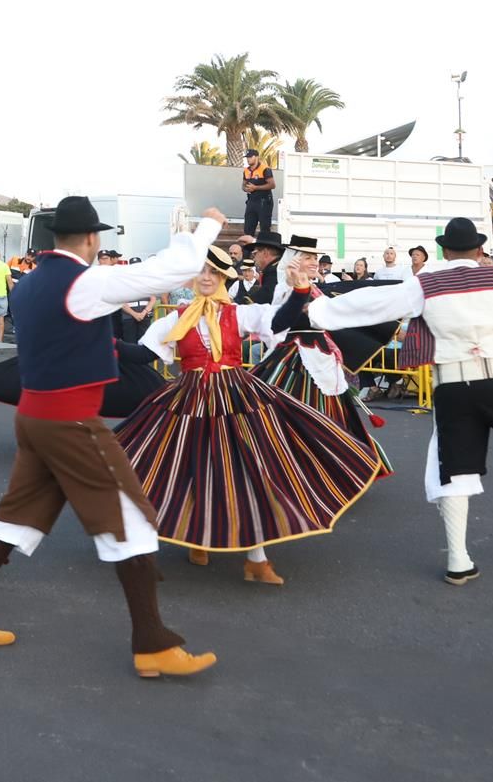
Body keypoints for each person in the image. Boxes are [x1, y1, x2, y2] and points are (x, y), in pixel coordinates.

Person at [0, 198, 224, 679]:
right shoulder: (85, 281)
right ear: (92, 239)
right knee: (128, 517)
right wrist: (206, 230)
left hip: (36, 416)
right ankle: (152, 642)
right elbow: (172, 268)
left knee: (16, 519)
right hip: (70, 422)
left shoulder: (29, 284)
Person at [304, 217, 493, 586]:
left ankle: (459, 560)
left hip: (451, 386)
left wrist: (318, 310)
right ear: (479, 250)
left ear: (444, 250)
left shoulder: (425, 284)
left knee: (455, 469)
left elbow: (374, 302)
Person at [122, 244, 379, 584]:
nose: (206, 278)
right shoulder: (177, 317)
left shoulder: (237, 314)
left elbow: (281, 319)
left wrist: (300, 291)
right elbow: (142, 355)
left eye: (214, 272)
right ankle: (198, 539)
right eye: (202, 271)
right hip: (190, 402)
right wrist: (98, 341)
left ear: (225, 277)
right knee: (191, 470)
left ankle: (256, 559)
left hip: (235, 398)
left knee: (251, 472)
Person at [241, 148, 275, 241]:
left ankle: (264, 250)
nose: (248, 159)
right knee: (248, 228)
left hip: (264, 202)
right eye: (247, 157)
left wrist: (256, 188)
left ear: (256, 157)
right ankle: (247, 252)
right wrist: (246, 188)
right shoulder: (246, 170)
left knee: (264, 228)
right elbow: (243, 185)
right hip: (251, 201)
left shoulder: (265, 169)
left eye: (250, 157)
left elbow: (272, 185)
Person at [245, 231, 285, 304]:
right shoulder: (277, 267)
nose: (254, 259)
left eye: (255, 254)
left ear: (265, 253)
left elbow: (265, 296)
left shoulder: (274, 271)